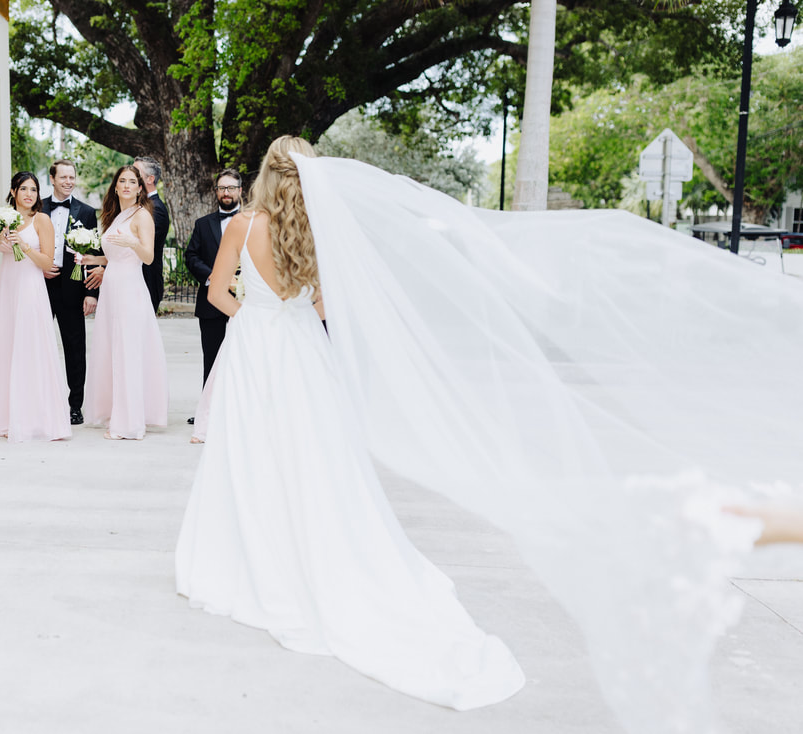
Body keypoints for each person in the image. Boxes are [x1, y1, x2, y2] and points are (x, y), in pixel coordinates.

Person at [175, 136, 525, 710]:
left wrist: (258, 317)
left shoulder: (243, 225)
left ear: (264, 172)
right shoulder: (319, 231)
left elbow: (215, 295)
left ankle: (248, 549)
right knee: (312, 454)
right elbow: (326, 305)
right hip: (305, 352)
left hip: (255, 350)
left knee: (248, 453)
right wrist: (290, 313)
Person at [0, 172, 72, 442]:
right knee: (6, 348)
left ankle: (36, 417)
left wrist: (24, 246)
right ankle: (7, 417)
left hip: (31, 290)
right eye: (24, 189)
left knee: (31, 349)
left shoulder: (41, 220)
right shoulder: (2, 217)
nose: (29, 194)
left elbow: (49, 263)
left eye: (33, 189)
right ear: (13, 191)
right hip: (7, 290)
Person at [82, 166, 169, 440]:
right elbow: (114, 256)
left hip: (131, 289)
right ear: (116, 187)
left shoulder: (143, 215)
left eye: (133, 181)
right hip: (112, 288)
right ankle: (116, 411)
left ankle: (129, 423)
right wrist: (92, 260)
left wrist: (133, 241)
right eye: (123, 181)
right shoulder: (115, 215)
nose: (128, 185)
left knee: (127, 350)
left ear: (141, 188)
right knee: (112, 349)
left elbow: (148, 257)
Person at [41, 160, 99, 425]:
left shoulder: (86, 212)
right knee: (37, 343)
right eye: (63, 177)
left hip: (73, 287)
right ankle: (38, 401)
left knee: (75, 348)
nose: (68, 181)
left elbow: (94, 253)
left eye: (71, 177)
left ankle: (75, 405)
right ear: (52, 179)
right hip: (39, 284)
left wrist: (92, 294)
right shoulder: (37, 207)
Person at [185, 169, 242, 426]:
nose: (226, 192)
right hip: (210, 303)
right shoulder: (202, 224)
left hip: (245, 300)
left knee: (243, 357)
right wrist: (215, 278)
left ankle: (240, 409)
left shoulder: (253, 222)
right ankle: (207, 412)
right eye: (222, 188)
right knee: (212, 357)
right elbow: (191, 257)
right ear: (216, 192)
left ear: (241, 191)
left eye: (230, 188)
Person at [133, 156, 170, 313]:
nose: (130, 175)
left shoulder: (157, 210)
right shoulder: (135, 206)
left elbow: (143, 247)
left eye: (136, 172)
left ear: (150, 179)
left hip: (146, 282)